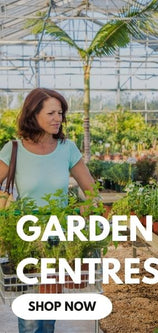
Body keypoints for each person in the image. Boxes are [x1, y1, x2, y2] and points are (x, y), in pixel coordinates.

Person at [0, 87, 95, 333]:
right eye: (51, 113)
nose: (57, 118)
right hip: (26, 237)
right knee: (31, 317)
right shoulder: (13, 149)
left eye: (60, 113)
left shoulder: (67, 148)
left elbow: (90, 190)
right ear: (33, 115)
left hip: (58, 238)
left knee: (49, 310)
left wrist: (85, 214)